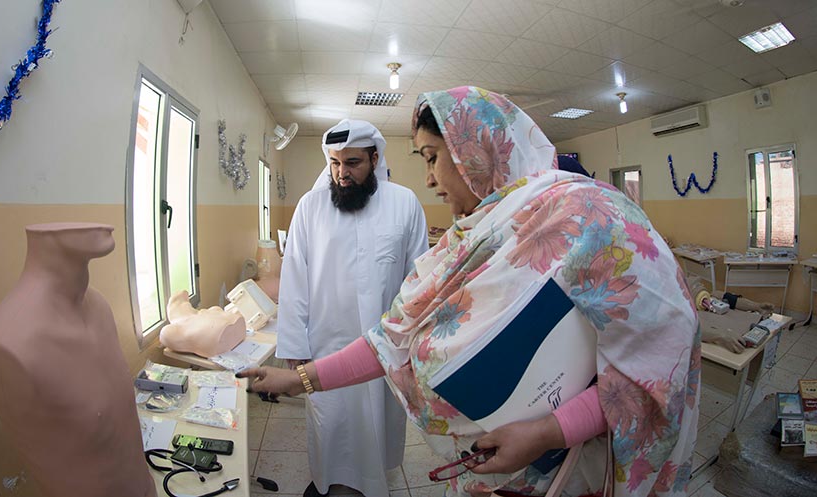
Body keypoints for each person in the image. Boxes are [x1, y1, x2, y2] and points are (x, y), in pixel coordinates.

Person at [242, 88, 700, 497]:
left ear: (474, 153)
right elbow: (394, 338)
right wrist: (297, 375)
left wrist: (549, 431)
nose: (428, 179)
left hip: (582, 466)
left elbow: (658, 361)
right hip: (492, 463)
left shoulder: (591, 219)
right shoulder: (475, 236)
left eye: (431, 156)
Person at [275, 119, 428, 497]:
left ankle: (374, 483)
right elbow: (294, 277)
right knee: (331, 425)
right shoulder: (311, 207)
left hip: (385, 351)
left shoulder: (404, 202)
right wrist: (294, 345)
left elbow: (419, 279)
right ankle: (330, 482)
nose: (342, 173)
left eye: (353, 163)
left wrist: (416, 346)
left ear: (375, 158)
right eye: (335, 163)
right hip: (327, 345)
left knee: (379, 425)